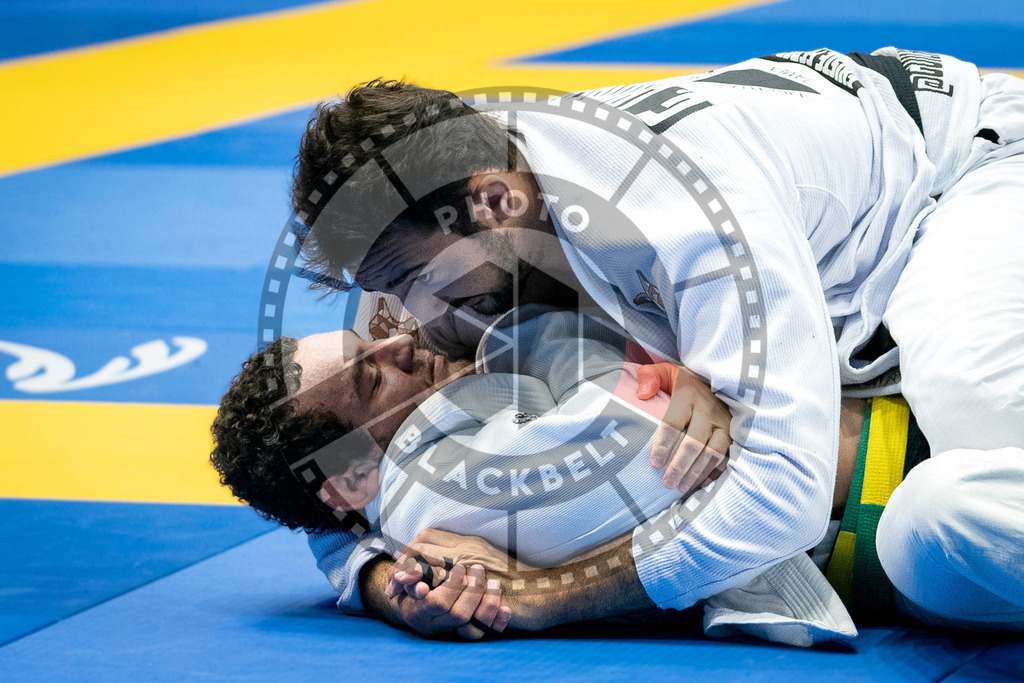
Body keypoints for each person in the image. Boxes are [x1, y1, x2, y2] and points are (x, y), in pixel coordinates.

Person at [291, 46, 1024, 633]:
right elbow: (314, 467)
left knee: (977, 408)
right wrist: (387, 582)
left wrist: (547, 594)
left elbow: (784, 495)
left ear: (494, 200)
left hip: (962, 171)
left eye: (409, 280)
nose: (404, 321)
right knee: (945, 503)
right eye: (382, 289)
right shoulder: (432, 207)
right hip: (836, 259)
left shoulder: (680, 212)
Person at [212, 308, 884, 644]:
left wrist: (382, 579)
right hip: (876, 474)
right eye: (370, 372)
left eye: (373, 338)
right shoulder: (444, 484)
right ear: (351, 472)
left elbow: (325, 511)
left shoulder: (407, 436)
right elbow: (663, 431)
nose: (401, 339)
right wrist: (525, 335)